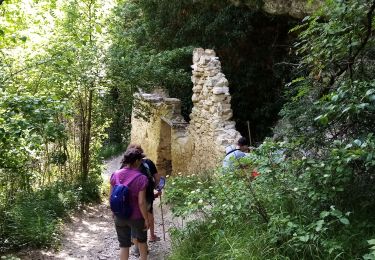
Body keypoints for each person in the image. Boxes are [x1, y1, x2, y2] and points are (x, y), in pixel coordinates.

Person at [109, 148, 149, 260]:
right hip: (137, 217)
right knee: (142, 242)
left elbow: (111, 196)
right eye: (141, 160)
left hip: (120, 216)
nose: (141, 162)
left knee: (124, 245)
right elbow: (141, 202)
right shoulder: (141, 178)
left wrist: (113, 211)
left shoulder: (115, 174)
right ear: (136, 161)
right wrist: (146, 218)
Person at [127, 144, 161, 243]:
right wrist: (156, 188)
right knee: (149, 214)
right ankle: (152, 236)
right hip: (147, 195)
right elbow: (157, 178)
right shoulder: (148, 163)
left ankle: (136, 243)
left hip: (131, 195)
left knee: (134, 217)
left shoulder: (125, 165)